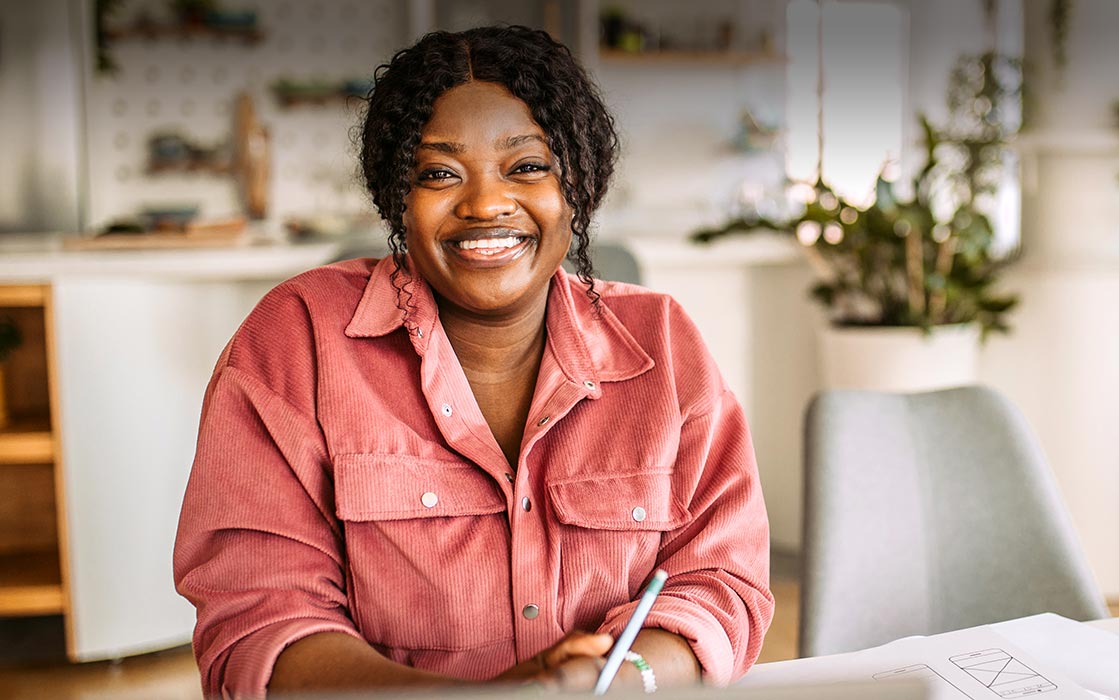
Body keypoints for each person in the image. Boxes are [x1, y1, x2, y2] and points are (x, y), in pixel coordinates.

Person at [173, 25, 773, 698]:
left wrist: (618, 678)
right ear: (396, 194)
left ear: (577, 182)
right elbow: (258, 627)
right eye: (439, 173)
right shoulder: (294, 344)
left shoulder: (663, 345)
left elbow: (719, 583)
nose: (486, 203)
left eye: (526, 166)